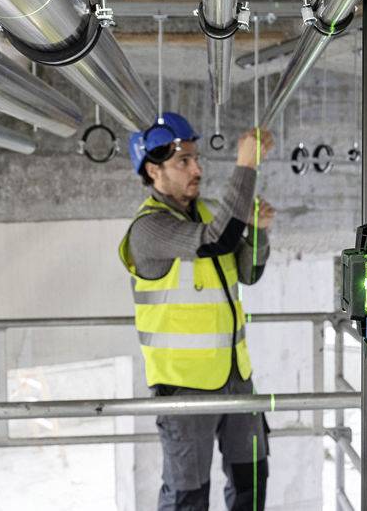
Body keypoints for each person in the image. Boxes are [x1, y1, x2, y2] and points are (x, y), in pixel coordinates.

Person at [118, 112, 276, 511]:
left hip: (236, 376)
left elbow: (248, 271)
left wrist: (257, 231)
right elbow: (218, 240)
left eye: (195, 158)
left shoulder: (207, 212)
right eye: (183, 162)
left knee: (251, 482)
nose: (197, 169)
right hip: (184, 389)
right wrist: (247, 164)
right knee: (189, 498)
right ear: (154, 171)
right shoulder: (148, 230)